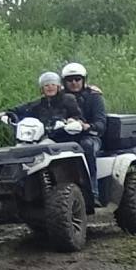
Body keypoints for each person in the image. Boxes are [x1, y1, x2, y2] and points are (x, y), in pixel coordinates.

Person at [59, 61, 105, 206]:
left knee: (86, 146)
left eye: (77, 79)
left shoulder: (94, 97)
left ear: (84, 80)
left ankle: (93, 193)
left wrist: (86, 126)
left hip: (90, 136)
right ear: (64, 82)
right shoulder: (58, 98)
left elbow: (101, 124)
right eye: (69, 80)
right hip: (64, 138)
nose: (74, 83)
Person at [2, 70, 83, 132]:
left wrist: (70, 121)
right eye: (46, 85)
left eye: (53, 85)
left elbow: (78, 116)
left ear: (58, 87)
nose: (50, 87)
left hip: (64, 136)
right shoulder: (38, 103)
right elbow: (19, 109)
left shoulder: (68, 99)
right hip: (40, 136)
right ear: (42, 89)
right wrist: (3, 114)